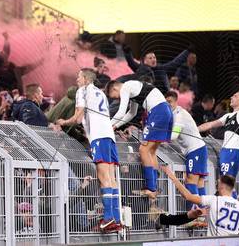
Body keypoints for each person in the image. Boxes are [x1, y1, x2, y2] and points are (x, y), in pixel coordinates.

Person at [56, 68, 121, 232]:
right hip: (110, 137)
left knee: (103, 177)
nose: (77, 80)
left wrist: (63, 122)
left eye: (78, 77)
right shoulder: (101, 93)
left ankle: (108, 219)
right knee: (112, 178)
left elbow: (77, 118)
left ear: (85, 79)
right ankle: (116, 219)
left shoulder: (82, 91)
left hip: (99, 137)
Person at [106, 80, 173, 199]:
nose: (118, 99)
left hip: (157, 112)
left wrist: (107, 126)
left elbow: (121, 112)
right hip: (164, 111)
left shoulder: (125, 87)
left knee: (143, 150)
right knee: (151, 151)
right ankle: (154, 186)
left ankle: (151, 187)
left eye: (115, 97)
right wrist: (115, 126)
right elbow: (132, 113)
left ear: (115, 89)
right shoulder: (132, 89)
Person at [161, 166, 239, 236]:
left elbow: (188, 196)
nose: (216, 185)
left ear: (221, 186)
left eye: (217, 183)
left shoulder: (214, 200)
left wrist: (173, 177)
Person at [198, 80, 239, 182]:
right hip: (225, 151)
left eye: (235, 96)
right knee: (225, 184)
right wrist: (194, 129)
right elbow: (210, 124)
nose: (231, 97)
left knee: (224, 183)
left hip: (232, 151)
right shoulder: (228, 116)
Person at [165, 91, 208, 209]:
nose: (168, 105)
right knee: (199, 183)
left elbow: (173, 136)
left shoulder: (179, 115)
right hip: (199, 149)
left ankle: (194, 214)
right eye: (166, 102)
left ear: (176, 101)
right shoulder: (173, 115)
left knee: (190, 181)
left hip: (195, 150)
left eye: (170, 102)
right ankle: (203, 213)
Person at [125, 48, 192, 93]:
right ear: (144, 61)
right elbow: (132, 63)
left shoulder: (161, 68)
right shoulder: (141, 69)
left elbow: (175, 63)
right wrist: (128, 53)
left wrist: (187, 51)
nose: (153, 59)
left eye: (154, 57)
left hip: (163, 97)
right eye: (150, 58)